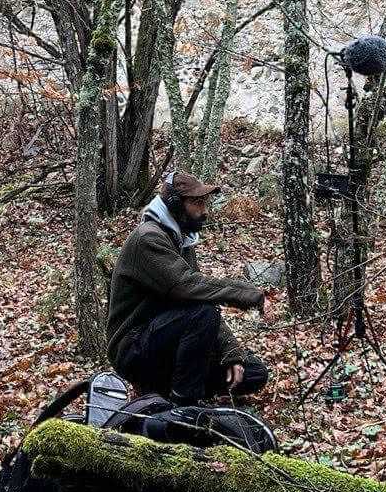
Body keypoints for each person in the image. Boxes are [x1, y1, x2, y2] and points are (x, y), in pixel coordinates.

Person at [105, 169, 270, 407]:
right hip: (134, 349)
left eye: (204, 203)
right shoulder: (148, 238)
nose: (204, 211)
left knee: (252, 371)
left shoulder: (181, 240)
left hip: (168, 343)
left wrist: (231, 352)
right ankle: (183, 406)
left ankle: (165, 391)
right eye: (197, 203)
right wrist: (242, 293)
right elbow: (186, 286)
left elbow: (199, 298)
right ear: (174, 203)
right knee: (203, 315)